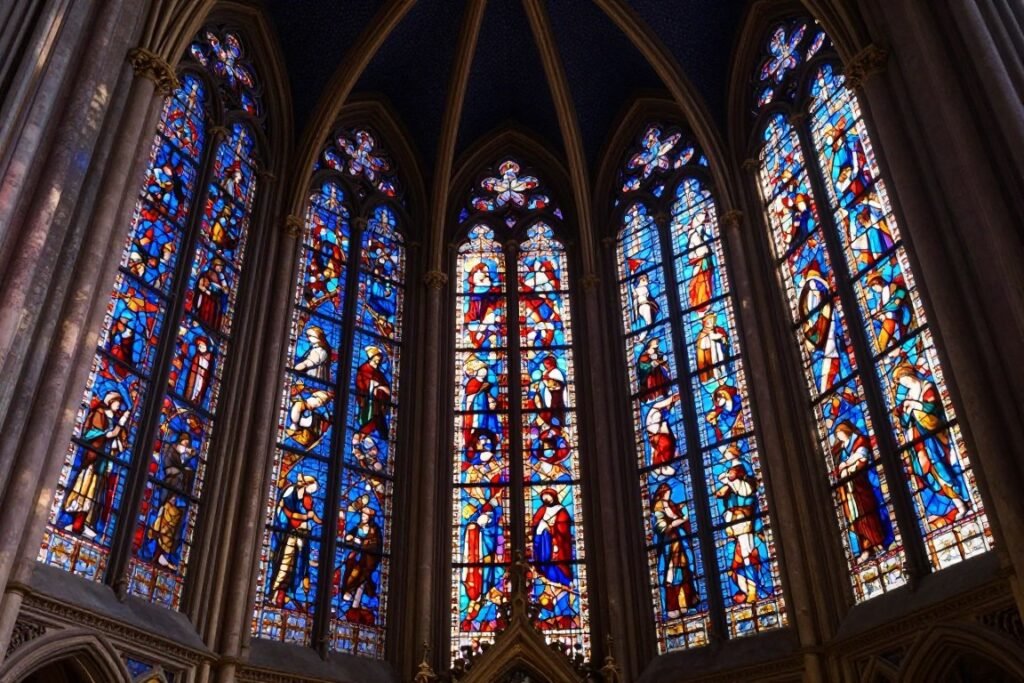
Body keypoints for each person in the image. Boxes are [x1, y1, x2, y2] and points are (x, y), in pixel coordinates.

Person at [893, 363, 970, 521]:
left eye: (905, 380)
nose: (905, 384)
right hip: (921, 442)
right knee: (932, 473)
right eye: (902, 383)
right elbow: (905, 423)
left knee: (946, 468)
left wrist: (916, 406)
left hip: (937, 437)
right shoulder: (908, 397)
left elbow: (935, 407)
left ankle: (965, 499)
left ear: (910, 374)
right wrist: (906, 413)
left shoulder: (928, 386)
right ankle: (958, 504)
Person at [61, 391, 130, 539]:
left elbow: (118, 437)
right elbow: (98, 434)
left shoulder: (113, 418)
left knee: (96, 491)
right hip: (94, 456)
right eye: (117, 403)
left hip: (105, 459)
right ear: (111, 402)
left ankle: (86, 523)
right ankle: (76, 524)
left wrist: (119, 434)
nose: (119, 406)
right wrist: (119, 425)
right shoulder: (99, 413)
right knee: (86, 489)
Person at [714, 445, 764, 605]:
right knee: (742, 557)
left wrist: (729, 483)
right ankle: (748, 590)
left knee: (748, 556)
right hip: (736, 521)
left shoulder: (745, 486)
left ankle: (753, 591)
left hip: (744, 521)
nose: (729, 475)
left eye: (732, 473)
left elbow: (744, 491)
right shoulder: (734, 487)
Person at [833, 421, 889, 562]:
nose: (839, 437)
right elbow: (837, 468)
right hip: (848, 489)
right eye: (837, 435)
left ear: (847, 431)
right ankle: (865, 548)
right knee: (854, 518)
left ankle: (878, 544)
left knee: (867, 512)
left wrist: (849, 465)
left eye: (840, 433)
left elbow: (863, 455)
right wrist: (842, 468)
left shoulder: (859, 441)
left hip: (860, 484)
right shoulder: (839, 449)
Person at [268, 474, 322, 607]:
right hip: (292, 534)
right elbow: (289, 513)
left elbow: (313, 515)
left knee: (300, 566)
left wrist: (322, 522)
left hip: (304, 536)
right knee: (285, 564)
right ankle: (276, 592)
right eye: (311, 487)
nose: (311, 491)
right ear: (305, 485)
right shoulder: (290, 495)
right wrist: (305, 517)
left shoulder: (307, 498)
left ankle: (287, 593)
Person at [147, 433, 196, 568]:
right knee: (163, 521)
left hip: (174, 491)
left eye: (188, 445)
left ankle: (160, 555)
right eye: (185, 444)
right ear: (179, 442)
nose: (186, 447)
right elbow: (170, 469)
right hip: (169, 489)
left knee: (170, 524)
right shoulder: (169, 450)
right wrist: (183, 471)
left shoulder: (178, 454)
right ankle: (157, 555)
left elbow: (179, 468)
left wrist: (187, 461)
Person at [651, 483, 699, 617]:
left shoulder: (669, 503)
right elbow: (663, 525)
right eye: (667, 493)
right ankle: (673, 606)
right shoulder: (659, 507)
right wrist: (679, 520)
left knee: (685, 568)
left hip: (680, 540)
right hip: (670, 543)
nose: (669, 495)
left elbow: (673, 514)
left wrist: (680, 509)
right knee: (671, 572)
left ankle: (686, 603)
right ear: (663, 493)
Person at [799, 262, 841, 394]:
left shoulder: (817, 289)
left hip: (825, 327)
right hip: (819, 328)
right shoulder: (810, 292)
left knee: (830, 354)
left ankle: (826, 390)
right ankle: (825, 391)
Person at [338, 502, 383, 614]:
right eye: (362, 515)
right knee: (350, 566)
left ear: (369, 518)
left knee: (359, 574)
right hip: (358, 554)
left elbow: (376, 544)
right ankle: (347, 590)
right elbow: (350, 535)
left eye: (364, 516)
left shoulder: (375, 529)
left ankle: (351, 593)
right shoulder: (359, 526)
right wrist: (350, 537)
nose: (362, 517)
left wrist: (362, 542)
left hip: (368, 558)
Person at [530, 488, 573, 587]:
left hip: (556, 541)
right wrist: (541, 525)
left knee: (556, 561)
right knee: (543, 559)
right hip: (542, 540)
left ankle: (564, 581)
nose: (546, 500)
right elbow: (535, 521)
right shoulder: (542, 509)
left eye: (548, 498)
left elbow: (564, 526)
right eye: (544, 499)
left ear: (553, 498)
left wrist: (553, 527)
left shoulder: (561, 510)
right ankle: (545, 575)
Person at [867, 272, 911, 352]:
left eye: (875, 286)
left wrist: (885, 314)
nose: (875, 290)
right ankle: (879, 346)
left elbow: (897, 303)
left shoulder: (892, 287)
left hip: (900, 317)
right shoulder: (880, 299)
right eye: (873, 289)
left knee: (888, 324)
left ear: (879, 282)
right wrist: (880, 315)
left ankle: (881, 348)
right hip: (889, 320)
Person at [354, 346, 391, 439]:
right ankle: (361, 435)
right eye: (375, 360)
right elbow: (360, 384)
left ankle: (382, 436)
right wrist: (372, 385)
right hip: (368, 401)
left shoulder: (379, 374)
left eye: (379, 361)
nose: (377, 363)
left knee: (378, 420)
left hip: (378, 403)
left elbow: (386, 386)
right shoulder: (363, 370)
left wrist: (380, 387)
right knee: (372, 419)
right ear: (370, 359)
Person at [645, 394, 680, 476]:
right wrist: (671, 399)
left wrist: (672, 399)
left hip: (661, 438)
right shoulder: (654, 412)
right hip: (659, 438)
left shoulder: (659, 418)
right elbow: (659, 405)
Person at [686, 210, 715, 308]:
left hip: (705, 260)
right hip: (700, 261)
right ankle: (701, 303)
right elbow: (690, 254)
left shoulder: (699, 233)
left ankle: (705, 302)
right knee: (698, 282)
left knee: (706, 282)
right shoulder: (693, 235)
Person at [194, 257, 228, 330]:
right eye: (219, 266)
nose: (220, 268)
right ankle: (201, 326)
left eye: (221, 267)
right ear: (214, 265)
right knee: (204, 313)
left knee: (213, 316)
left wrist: (224, 288)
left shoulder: (221, 277)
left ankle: (210, 329)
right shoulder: (206, 274)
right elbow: (200, 285)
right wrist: (206, 291)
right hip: (205, 299)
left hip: (215, 300)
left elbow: (225, 290)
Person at [534, 355, 566, 429]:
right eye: (545, 363)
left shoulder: (556, 371)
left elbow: (560, 384)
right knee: (546, 408)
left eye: (547, 363)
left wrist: (550, 379)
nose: (546, 365)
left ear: (552, 363)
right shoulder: (545, 371)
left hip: (557, 395)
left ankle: (559, 425)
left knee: (556, 410)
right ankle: (550, 424)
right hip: (548, 393)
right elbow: (544, 382)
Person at [695, 313, 728, 383]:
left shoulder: (715, 329)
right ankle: (717, 377)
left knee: (720, 361)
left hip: (717, 351)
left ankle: (723, 374)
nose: (711, 323)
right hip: (710, 354)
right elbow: (704, 345)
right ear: (705, 323)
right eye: (709, 321)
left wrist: (723, 336)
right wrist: (720, 336)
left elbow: (720, 335)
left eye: (712, 321)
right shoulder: (703, 333)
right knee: (715, 363)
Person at [184, 336, 214, 405]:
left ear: (206, 346)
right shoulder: (197, 356)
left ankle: (197, 400)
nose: (200, 349)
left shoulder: (210, 357)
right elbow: (193, 370)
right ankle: (191, 399)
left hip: (203, 377)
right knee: (195, 388)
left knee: (200, 388)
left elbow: (208, 370)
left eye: (202, 347)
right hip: (196, 376)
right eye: (199, 347)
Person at [631, 273, 660, 338]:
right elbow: (635, 300)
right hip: (642, 306)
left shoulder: (645, 288)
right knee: (647, 321)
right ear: (642, 280)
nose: (648, 281)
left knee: (648, 321)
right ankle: (643, 335)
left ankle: (645, 333)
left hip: (645, 305)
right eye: (646, 279)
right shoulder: (637, 290)